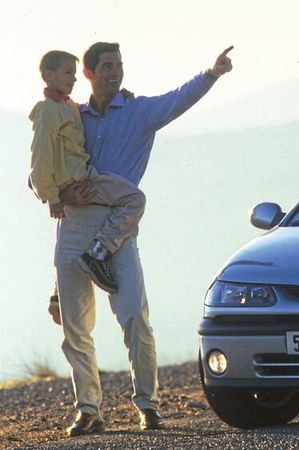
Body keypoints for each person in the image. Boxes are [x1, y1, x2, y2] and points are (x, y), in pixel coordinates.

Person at [54, 42, 233, 437]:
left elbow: (177, 100)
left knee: (135, 315)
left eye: (119, 65)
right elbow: (41, 166)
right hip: (72, 222)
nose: (115, 73)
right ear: (89, 73)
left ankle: (147, 405)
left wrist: (211, 73)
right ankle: (88, 410)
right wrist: (56, 195)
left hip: (118, 227)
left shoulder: (138, 111)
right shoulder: (69, 116)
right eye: (107, 66)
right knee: (75, 326)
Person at [30, 50, 146, 295]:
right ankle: (99, 252)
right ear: (48, 75)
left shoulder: (69, 107)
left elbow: (94, 110)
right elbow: (40, 160)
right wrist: (54, 198)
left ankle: (95, 255)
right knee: (134, 198)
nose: (72, 79)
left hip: (83, 177)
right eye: (66, 73)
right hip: (80, 181)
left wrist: (120, 97)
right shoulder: (48, 111)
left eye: (74, 73)